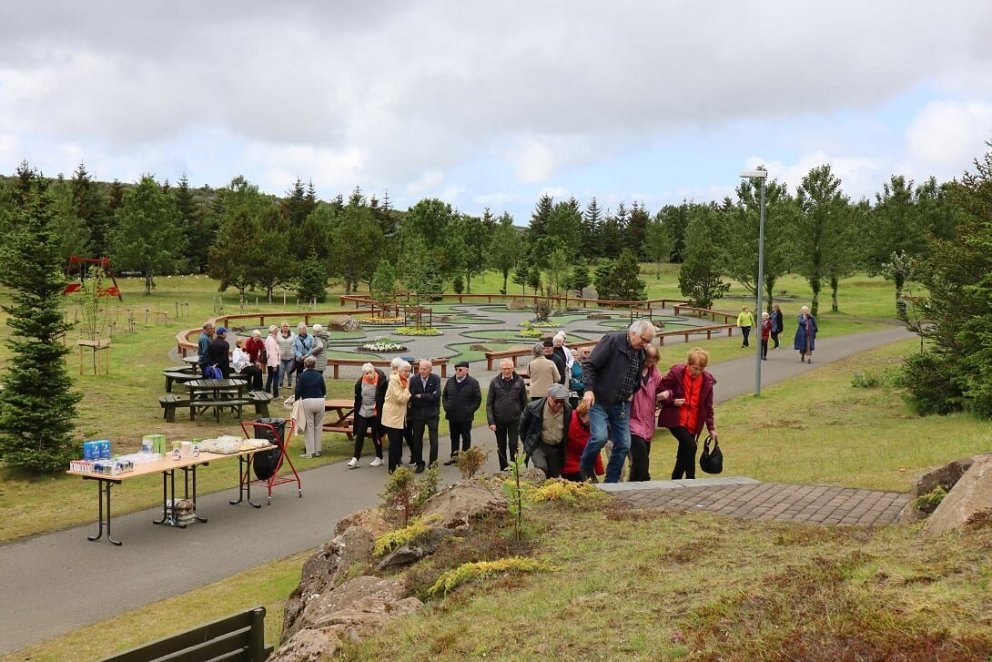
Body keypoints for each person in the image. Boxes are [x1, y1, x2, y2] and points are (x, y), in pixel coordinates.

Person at [578, 319, 654, 484]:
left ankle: (611, 482)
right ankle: (585, 466)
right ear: (633, 333)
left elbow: (635, 376)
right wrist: (589, 389)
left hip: (621, 404)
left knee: (624, 444)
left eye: (648, 341)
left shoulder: (640, 353)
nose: (646, 344)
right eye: (644, 340)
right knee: (599, 437)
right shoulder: (612, 341)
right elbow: (589, 365)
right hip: (600, 400)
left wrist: (632, 390)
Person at [658, 348, 718, 480]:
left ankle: (676, 479)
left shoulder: (706, 381)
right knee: (691, 446)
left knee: (684, 451)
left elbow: (708, 406)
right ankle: (691, 478)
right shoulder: (676, 373)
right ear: (688, 364)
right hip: (675, 419)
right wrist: (672, 400)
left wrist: (711, 428)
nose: (697, 372)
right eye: (694, 368)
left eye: (701, 369)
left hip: (693, 422)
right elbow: (660, 389)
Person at [519, 383, 572, 479]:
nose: (559, 404)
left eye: (562, 401)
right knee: (541, 470)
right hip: (539, 445)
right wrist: (529, 442)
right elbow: (522, 428)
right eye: (556, 401)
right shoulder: (533, 408)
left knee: (553, 477)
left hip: (556, 448)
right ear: (549, 397)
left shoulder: (568, 409)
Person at [629, 344, 664, 482]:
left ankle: (633, 484)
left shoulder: (656, 374)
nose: (651, 363)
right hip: (632, 420)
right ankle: (646, 480)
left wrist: (666, 394)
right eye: (648, 359)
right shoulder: (632, 372)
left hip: (648, 421)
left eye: (653, 360)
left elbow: (665, 388)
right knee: (641, 455)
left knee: (639, 460)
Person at [486, 358, 529, 471]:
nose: (506, 371)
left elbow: (524, 402)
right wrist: (491, 421)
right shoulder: (494, 381)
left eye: (508, 368)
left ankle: (514, 468)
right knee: (501, 446)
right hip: (498, 420)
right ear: (501, 369)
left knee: (513, 445)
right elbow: (489, 403)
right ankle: (503, 469)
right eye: (504, 369)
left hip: (515, 420)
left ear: (513, 368)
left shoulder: (519, 381)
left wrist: (525, 419)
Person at [442, 361, 482, 466]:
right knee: (454, 437)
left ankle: (465, 458)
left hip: (466, 417)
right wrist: (446, 407)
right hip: (452, 415)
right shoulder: (450, 381)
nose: (457, 372)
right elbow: (444, 395)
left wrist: (469, 410)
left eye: (460, 369)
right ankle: (454, 457)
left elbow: (477, 399)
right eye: (456, 369)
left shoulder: (473, 383)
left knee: (465, 437)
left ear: (466, 370)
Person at [348, 363, 387, 468]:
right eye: (366, 373)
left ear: (374, 372)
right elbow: (358, 398)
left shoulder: (381, 382)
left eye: (370, 373)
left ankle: (379, 457)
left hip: (375, 412)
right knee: (360, 433)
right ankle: (355, 458)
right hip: (363, 411)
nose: (369, 375)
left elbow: (383, 398)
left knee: (376, 435)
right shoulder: (360, 383)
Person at [408, 359, 441, 472]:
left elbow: (436, 397)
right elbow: (412, 397)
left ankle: (433, 463)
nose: (422, 371)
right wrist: (428, 396)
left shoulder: (436, 379)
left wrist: (421, 396)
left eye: (424, 369)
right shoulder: (413, 379)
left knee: (434, 440)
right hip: (417, 415)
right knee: (417, 440)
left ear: (430, 370)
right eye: (420, 368)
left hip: (432, 414)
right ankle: (419, 463)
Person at [382, 359, 413, 474]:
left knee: (398, 441)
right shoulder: (394, 381)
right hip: (392, 415)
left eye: (409, 371)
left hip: (400, 416)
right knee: (394, 442)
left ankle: (397, 464)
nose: (407, 373)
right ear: (399, 371)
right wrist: (408, 388)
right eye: (405, 371)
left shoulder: (403, 381)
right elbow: (401, 398)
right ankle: (392, 468)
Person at [561, 400, 604, 482]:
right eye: (591, 417)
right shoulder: (568, 420)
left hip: (584, 463)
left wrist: (599, 469)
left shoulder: (592, 427)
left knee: (595, 486)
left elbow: (594, 448)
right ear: (583, 413)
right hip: (569, 464)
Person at [295, 355, 327, 459]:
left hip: (307, 401)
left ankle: (310, 452)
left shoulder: (301, 376)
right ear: (314, 365)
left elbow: (298, 391)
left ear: (305, 365)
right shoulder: (319, 375)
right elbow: (324, 389)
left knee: (309, 427)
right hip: (320, 400)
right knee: (318, 427)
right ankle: (318, 450)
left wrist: (296, 400)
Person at [276, 321, 296, 389]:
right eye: (284, 326)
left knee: (289, 371)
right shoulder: (277, 334)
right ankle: (280, 383)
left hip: (290, 356)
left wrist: (294, 352)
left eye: (286, 326)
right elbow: (275, 344)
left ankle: (290, 384)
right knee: (281, 372)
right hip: (281, 357)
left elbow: (295, 344)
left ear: (289, 327)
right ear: (281, 327)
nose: (285, 328)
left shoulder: (293, 334)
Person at [264, 324, 281, 396]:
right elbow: (272, 353)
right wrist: (274, 365)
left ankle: (267, 392)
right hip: (273, 363)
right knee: (275, 378)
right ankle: (275, 395)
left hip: (271, 362)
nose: (276, 332)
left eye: (277, 330)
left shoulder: (270, 339)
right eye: (275, 331)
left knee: (270, 377)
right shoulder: (271, 340)